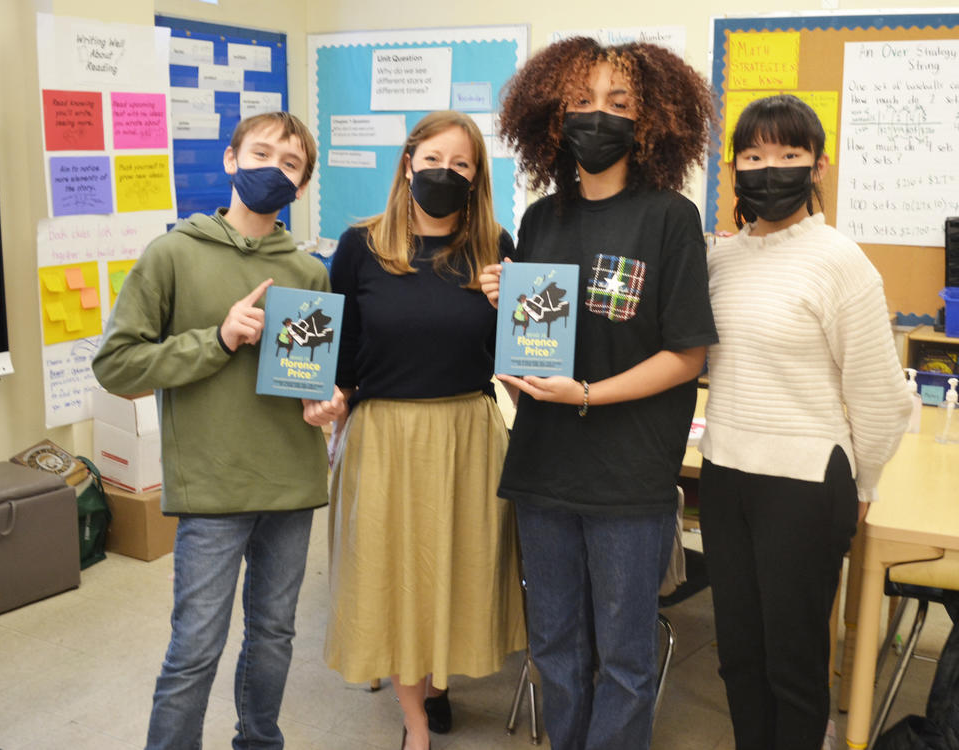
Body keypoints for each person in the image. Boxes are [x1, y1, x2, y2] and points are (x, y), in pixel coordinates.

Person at [479, 39, 717, 750]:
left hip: (628, 475)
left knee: (624, 658)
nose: (596, 118)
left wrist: (586, 394)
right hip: (544, 469)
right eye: (580, 103)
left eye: (618, 104)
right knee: (554, 645)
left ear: (650, 122)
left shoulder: (669, 217)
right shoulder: (542, 220)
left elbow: (687, 355)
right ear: (550, 116)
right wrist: (504, 299)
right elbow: (536, 340)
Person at [92, 111, 341, 750]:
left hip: (291, 482)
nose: (271, 170)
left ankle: (260, 741)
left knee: (274, 636)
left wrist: (325, 403)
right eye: (259, 154)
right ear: (230, 160)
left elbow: (309, 379)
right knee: (196, 645)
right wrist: (219, 339)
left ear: (303, 184)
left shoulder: (310, 271)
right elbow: (117, 366)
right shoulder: (173, 253)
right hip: (212, 486)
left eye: (289, 164)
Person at [698, 94, 912, 750]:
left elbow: (881, 395)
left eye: (789, 154)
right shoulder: (719, 259)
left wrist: (866, 483)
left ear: (818, 166)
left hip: (805, 483)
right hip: (724, 474)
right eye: (755, 155)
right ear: (735, 168)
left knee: (793, 665)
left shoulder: (840, 261)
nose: (771, 167)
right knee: (737, 654)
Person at [323, 110, 526, 750]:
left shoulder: (497, 246)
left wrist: (506, 307)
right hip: (384, 436)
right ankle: (416, 723)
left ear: (476, 176)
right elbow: (342, 351)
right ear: (408, 162)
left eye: (461, 164)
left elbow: (520, 362)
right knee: (395, 574)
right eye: (433, 159)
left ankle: (439, 681)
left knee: (453, 568)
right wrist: (327, 398)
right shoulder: (362, 244)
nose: (445, 172)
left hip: (468, 433)